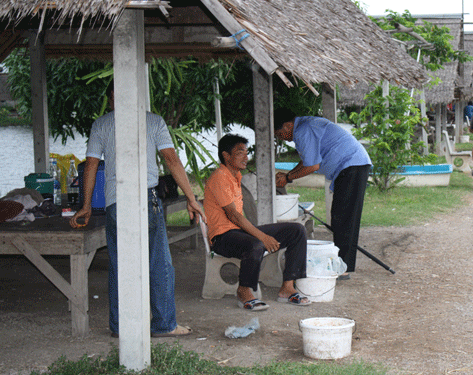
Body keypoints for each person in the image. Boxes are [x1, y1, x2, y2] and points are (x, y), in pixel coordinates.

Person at [70, 86, 205, 338]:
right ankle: (164, 324)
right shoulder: (154, 121)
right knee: (159, 263)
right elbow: (171, 160)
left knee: (119, 264)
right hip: (146, 198)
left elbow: (91, 166)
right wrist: (191, 197)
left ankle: (120, 327)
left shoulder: (101, 125)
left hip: (115, 203)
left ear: (111, 100)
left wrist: (86, 205)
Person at [204, 134, 309, 310]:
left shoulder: (235, 175)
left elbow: (237, 220)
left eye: (246, 152)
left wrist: (260, 235)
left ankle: (287, 288)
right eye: (240, 153)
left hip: (238, 232)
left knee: (297, 230)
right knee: (256, 244)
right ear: (226, 155)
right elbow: (233, 216)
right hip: (222, 237)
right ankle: (244, 290)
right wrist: (262, 236)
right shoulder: (220, 177)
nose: (246, 157)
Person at [273, 109, 372, 279]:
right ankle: (342, 265)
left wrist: (288, 177)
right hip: (351, 165)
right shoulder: (304, 126)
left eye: (280, 133)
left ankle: (343, 268)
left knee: (344, 218)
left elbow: (312, 166)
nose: (282, 138)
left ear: (288, 125)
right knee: (341, 217)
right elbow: (307, 160)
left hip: (352, 165)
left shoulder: (303, 130)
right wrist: (288, 176)